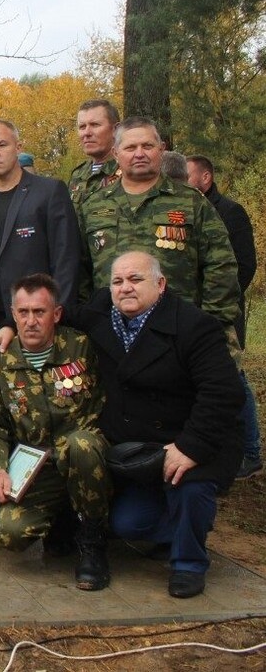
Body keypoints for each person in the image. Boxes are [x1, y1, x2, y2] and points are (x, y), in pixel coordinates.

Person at [78, 252, 244, 598]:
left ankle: (188, 563)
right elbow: (51, 320)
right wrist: (7, 329)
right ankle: (174, 529)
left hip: (192, 439)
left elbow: (224, 392)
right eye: (118, 281)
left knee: (190, 488)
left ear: (161, 284)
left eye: (136, 280)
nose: (126, 288)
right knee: (127, 523)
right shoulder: (99, 318)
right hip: (140, 450)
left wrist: (190, 446)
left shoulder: (195, 327)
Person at [0, 273, 111, 591]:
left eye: (40, 312)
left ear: (57, 314)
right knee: (9, 535)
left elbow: (104, 401)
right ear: (13, 315)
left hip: (83, 455)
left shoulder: (80, 346)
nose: (31, 321)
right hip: (37, 465)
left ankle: (93, 543)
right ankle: (62, 518)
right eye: (23, 313)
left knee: (80, 445)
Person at [78, 117, 241, 343]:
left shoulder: (191, 202)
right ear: (116, 153)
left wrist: (210, 321)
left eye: (147, 146)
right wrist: (92, 322)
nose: (139, 154)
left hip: (179, 332)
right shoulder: (93, 206)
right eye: (130, 147)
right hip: (113, 334)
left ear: (162, 149)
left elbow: (221, 263)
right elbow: (80, 270)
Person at [0, 119, 80, 335]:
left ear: (18, 147)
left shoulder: (49, 192)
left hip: (36, 318)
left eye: (1, 145)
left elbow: (66, 260)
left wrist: (58, 314)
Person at [187, 154, 261, 479]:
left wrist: (221, 305)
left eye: (189, 177)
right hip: (195, 313)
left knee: (234, 378)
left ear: (206, 177)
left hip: (223, 315)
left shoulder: (230, 212)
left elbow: (244, 265)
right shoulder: (187, 210)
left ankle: (251, 451)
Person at [68, 99, 120, 206]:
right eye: (82, 127)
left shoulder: (130, 171)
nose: (86, 133)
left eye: (95, 125)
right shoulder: (78, 174)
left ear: (116, 129)